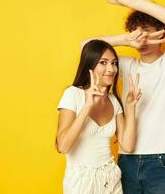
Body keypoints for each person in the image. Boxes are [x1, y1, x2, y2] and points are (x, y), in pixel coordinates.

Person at [81, 0, 165, 193]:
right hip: (128, 158)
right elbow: (86, 47)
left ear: (161, 33)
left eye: (147, 33)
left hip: (162, 160)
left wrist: (136, 3)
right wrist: (126, 39)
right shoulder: (125, 65)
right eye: (136, 34)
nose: (142, 39)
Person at [56, 39, 141, 194]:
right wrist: (87, 106)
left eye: (114, 63)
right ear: (90, 65)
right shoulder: (73, 94)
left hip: (111, 178)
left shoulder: (114, 101)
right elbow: (63, 146)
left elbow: (127, 146)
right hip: (82, 182)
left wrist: (130, 107)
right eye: (103, 62)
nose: (111, 69)